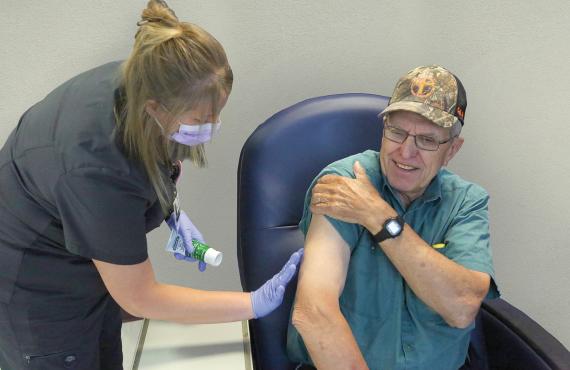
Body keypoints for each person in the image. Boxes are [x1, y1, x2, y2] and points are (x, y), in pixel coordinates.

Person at [0, 1, 302, 369]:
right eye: (200, 119)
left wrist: (171, 210)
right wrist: (253, 304)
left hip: (80, 257)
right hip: (35, 287)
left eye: (217, 113)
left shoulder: (141, 79)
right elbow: (140, 298)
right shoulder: (95, 167)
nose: (212, 125)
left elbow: (155, 158)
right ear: (156, 108)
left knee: (106, 351)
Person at [287, 65, 499, 370]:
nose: (405, 152)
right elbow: (313, 312)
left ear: (452, 150)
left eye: (427, 140)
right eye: (397, 132)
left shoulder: (466, 203)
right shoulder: (346, 183)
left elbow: (462, 306)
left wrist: (378, 216)